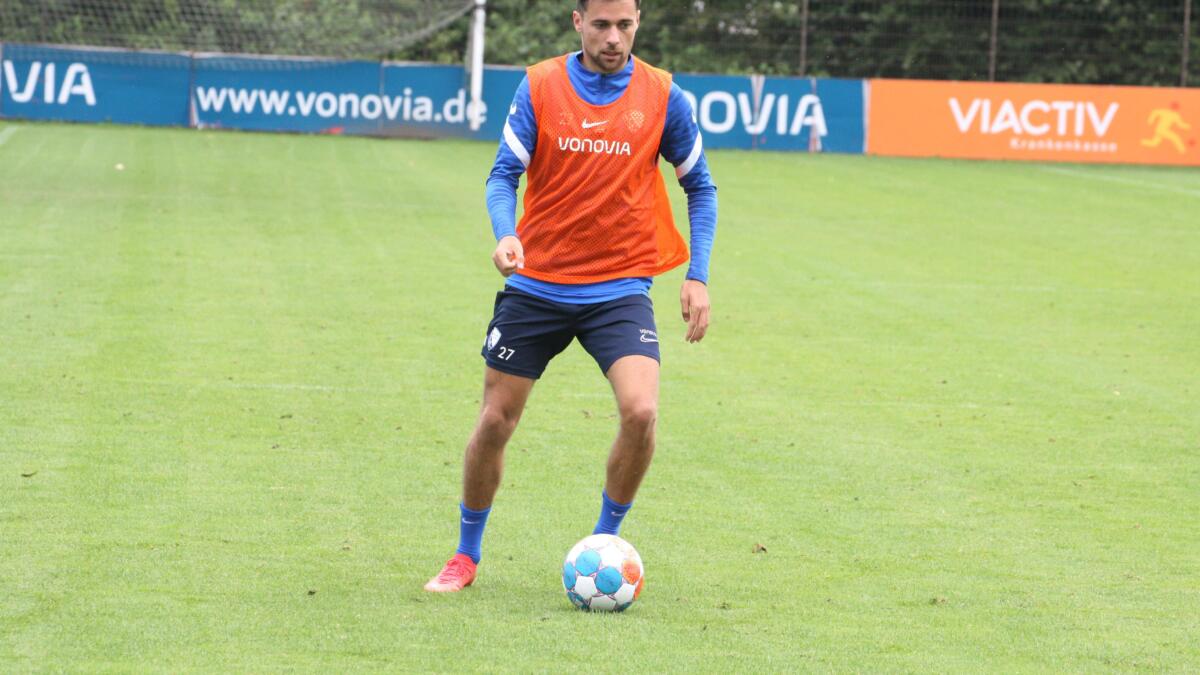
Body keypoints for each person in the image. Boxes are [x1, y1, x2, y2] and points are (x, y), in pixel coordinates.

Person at [425, 0, 717, 592]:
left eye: (625, 25)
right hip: (537, 284)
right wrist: (506, 233)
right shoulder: (540, 85)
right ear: (578, 21)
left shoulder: (664, 96)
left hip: (619, 288)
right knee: (495, 420)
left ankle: (604, 542)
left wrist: (698, 275)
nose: (614, 38)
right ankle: (465, 555)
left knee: (641, 412)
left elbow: (701, 187)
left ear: (638, 22)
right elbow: (503, 174)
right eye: (601, 25)